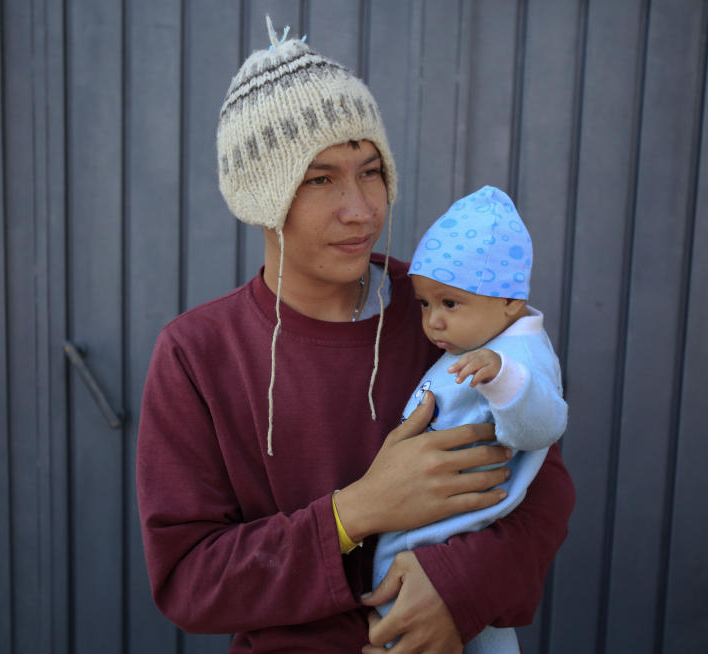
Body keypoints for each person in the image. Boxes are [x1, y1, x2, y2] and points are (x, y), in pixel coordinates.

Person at [136, 17, 575, 653]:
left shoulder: (443, 311)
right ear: (263, 196)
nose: (361, 208)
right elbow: (190, 578)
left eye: (370, 171)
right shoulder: (197, 354)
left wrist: (458, 590)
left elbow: (546, 488)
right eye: (321, 179)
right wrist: (354, 514)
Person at [371, 186, 568, 653]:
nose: (433, 322)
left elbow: (543, 425)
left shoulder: (518, 355)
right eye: (425, 304)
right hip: (430, 538)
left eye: (450, 304)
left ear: (509, 303)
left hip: (456, 538)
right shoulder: (478, 340)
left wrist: (503, 380)